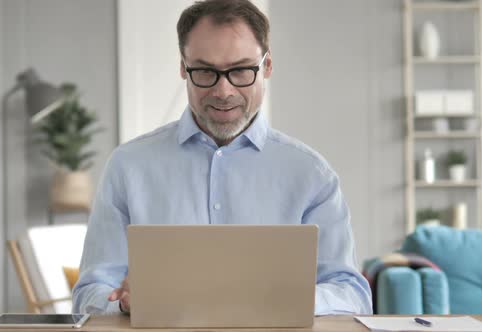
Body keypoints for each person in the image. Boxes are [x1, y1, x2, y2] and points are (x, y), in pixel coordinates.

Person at [72, 0, 372, 316]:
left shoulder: (312, 175)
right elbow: (89, 294)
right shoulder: (127, 167)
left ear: (267, 66)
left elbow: (351, 295)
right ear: (182, 68)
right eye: (205, 71)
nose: (223, 90)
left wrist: (290, 300)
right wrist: (121, 303)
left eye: (241, 70)